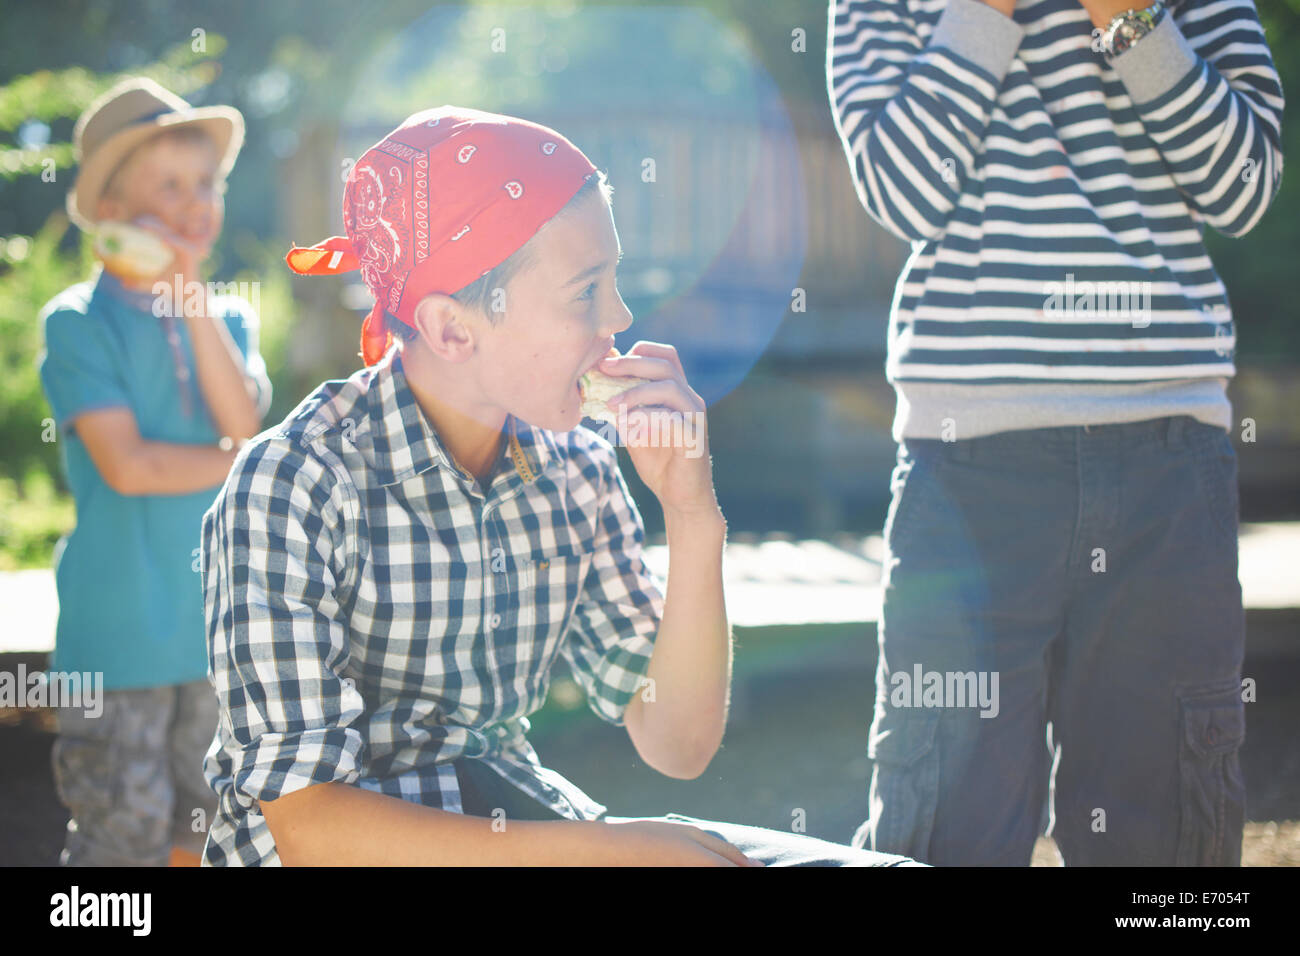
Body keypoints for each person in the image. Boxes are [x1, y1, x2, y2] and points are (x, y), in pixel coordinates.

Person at [199, 106, 922, 866]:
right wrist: (620, 852)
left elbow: (676, 741)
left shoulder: (576, 465)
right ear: (452, 330)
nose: (620, 315)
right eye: (586, 293)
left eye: (614, 281)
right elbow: (312, 831)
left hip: (523, 821)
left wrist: (690, 512)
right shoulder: (293, 483)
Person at [827, 0, 1283, 864]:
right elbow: (900, 191)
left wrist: (1130, 19)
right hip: (966, 466)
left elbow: (1244, 188)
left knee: (1167, 841)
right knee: (944, 826)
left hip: (1166, 458)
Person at [37, 77, 271, 866]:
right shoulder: (79, 322)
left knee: (206, 828)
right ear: (110, 210)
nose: (193, 202)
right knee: (121, 833)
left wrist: (191, 298)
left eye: (205, 184)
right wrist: (236, 465)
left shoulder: (227, 318)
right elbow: (131, 467)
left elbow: (243, 422)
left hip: (211, 634)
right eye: (167, 186)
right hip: (120, 640)